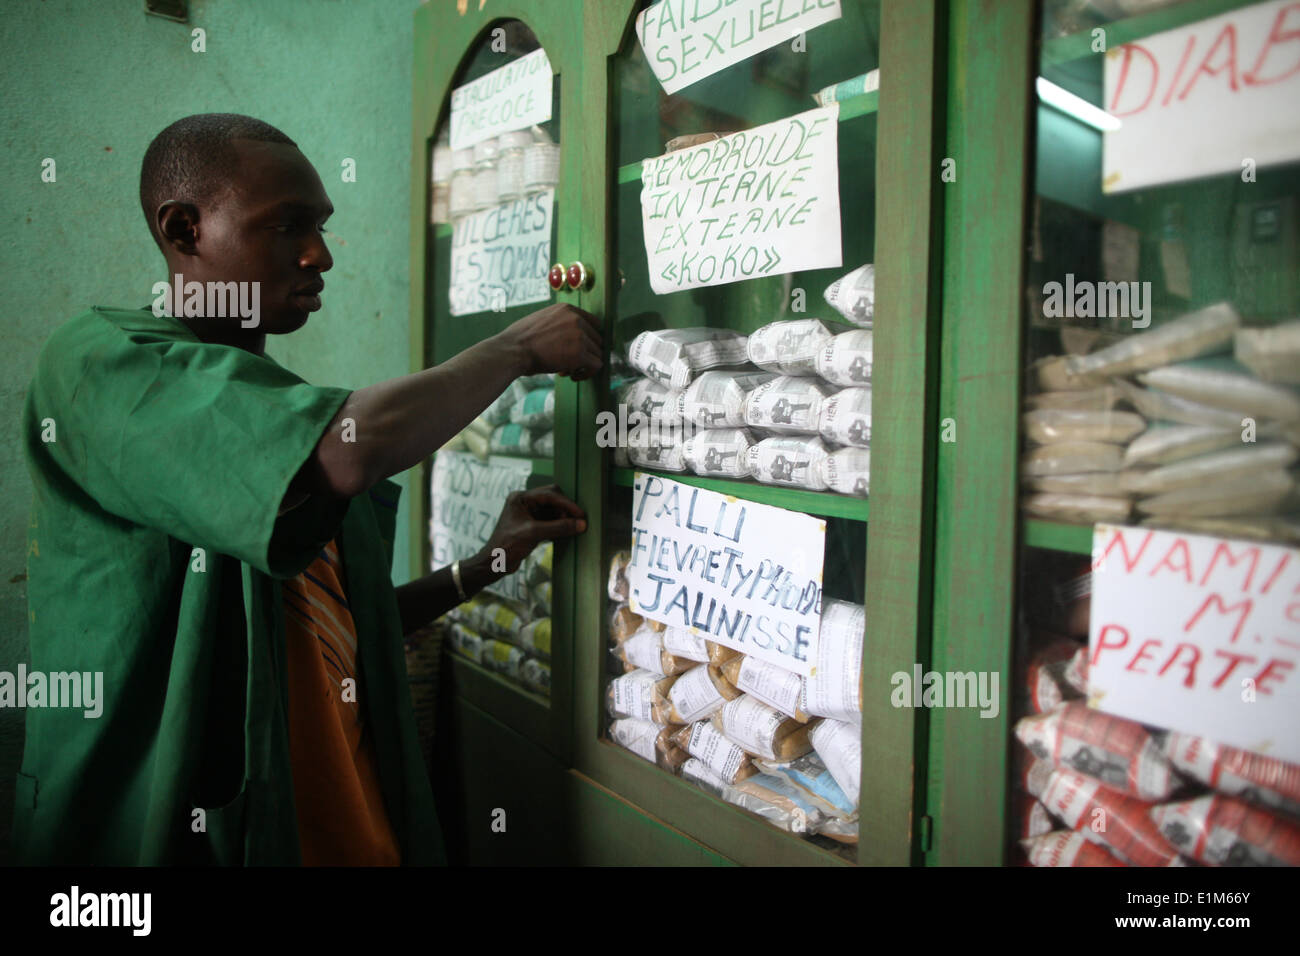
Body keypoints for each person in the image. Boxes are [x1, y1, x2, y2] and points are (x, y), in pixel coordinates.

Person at [16, 113, 601, 865]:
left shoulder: (284, 420)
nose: (319, 254)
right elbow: (345, 452)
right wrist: (518, 346)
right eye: (287, 224)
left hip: (346, 829)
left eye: (321, 225)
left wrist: (488, 563)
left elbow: (340, 637)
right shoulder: (100, 367)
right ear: (184, 229)